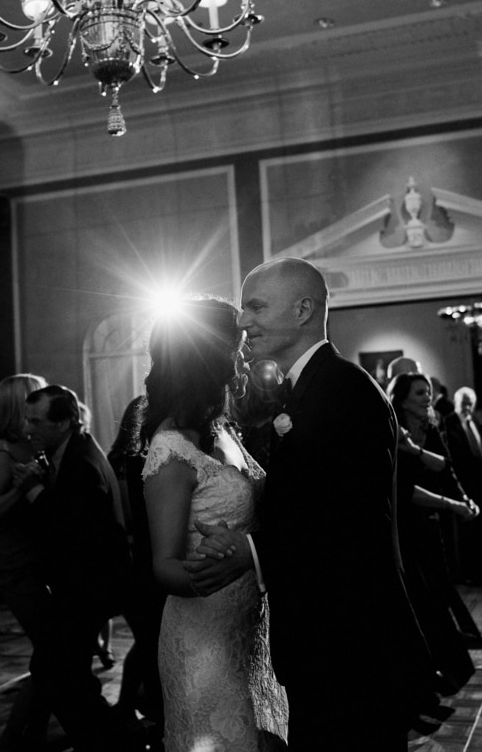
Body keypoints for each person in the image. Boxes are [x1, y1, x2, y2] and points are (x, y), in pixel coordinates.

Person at [190, 257, 431, 750]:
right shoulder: (312, 385)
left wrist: (251, 551)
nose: (241, 321)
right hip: (331, 641)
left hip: (349, 645)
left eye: (255, 307)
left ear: (303, 310)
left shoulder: (342, 390)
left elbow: (346, 524)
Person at [138, 295, 288, 751]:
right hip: (203, 638)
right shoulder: (170, 450)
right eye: (238, 348)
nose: (244, 361)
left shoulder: (222, 429)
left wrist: (251, 557)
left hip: (250, 625)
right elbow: (162, 565)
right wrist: (218, 571)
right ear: (209, 357)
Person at [9, 383, 131, 752]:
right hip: (80, 588)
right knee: (66, 674)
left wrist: (33, 491)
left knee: (60, 674)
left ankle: (105, 742)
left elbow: (76, 530)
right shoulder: (72, 450)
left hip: (85, 588)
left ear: (64, 422)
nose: (29, 429)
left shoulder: (82, 462)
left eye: (36, 421)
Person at [388, 371, 481, 726]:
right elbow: (405, 489)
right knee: (420, 608)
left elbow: (446, 469)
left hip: (432, 528)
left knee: (438, 602)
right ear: (401, 397)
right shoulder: (394, 431)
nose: (427, 398)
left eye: (428, 392)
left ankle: (433, 683)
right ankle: (423, 688)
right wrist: (451, 505)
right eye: (418, 393)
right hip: (405, 530)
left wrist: (463, 499)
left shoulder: (431, 428)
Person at [0, 372, 55, 752]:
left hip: (37, 559)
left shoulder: (33, 447)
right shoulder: (1, 453)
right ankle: (9, 740)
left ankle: (34, 734)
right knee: (51, 650)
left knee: (51, 651)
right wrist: (21, 490)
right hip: (14, 564)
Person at [106, 393, 165, 731]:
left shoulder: (114, 459)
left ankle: (127, 705)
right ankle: (134, 706)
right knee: (147, 641)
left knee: (144, 641)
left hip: (124, 562)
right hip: (137, 562)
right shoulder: (136, 462)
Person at [442, 386, 482, 583]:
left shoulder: (474, 421)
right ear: (456, 403)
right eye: (463, 403)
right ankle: (468, 572)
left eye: (470, 404)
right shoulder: (448, 422)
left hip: (481, 485)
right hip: (462, 484)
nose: (467, 407)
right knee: (466, 533)